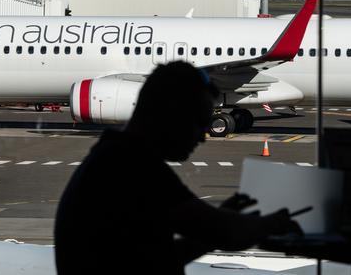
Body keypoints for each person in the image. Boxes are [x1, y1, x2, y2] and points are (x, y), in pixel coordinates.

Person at [54, 61, 300, 275]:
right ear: (172, 115)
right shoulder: (133, 169)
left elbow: (157, 259)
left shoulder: (115, 157)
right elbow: (227, 234)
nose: (202, 137)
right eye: (197, 123)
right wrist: (273, 223)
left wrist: (213, 226)